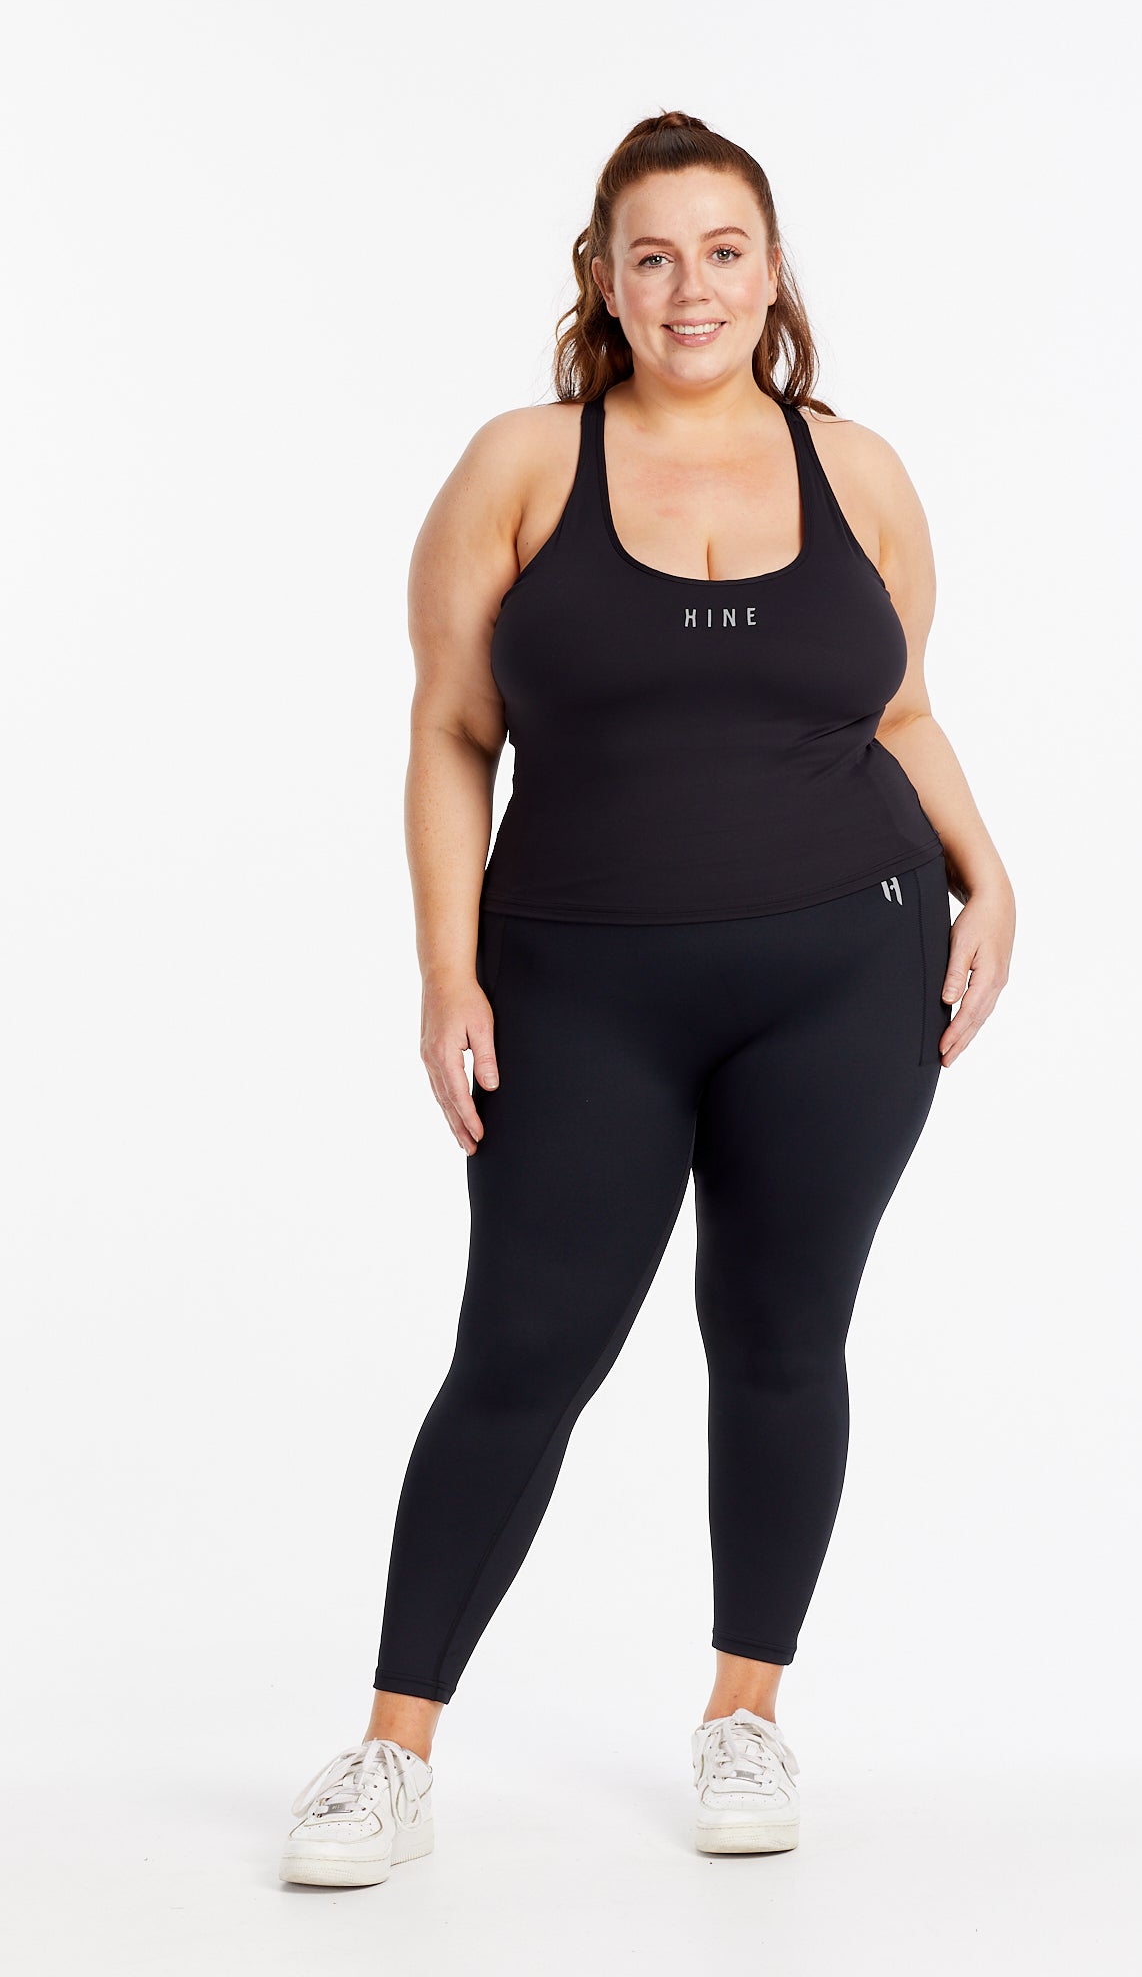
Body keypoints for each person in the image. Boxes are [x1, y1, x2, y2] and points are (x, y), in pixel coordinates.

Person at [279, 109, 1015, 1888]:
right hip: (578, 986)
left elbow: (898, 710)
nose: (693, 287)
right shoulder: (522, 463)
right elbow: (451, 730)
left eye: (725, 251)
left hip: (845, 967)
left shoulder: (857, 471)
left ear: (771, 273)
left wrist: (990, 873)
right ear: (603, 281)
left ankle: (745, 1711)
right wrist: (444, 968)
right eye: (655, 255)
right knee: (524, 1350)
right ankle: (391, 1754)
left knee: (780, 1336)